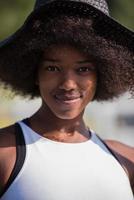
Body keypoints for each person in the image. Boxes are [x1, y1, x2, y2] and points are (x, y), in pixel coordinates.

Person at [0, 0, 134, 199]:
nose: (68, 84)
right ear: (35, 73)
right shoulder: (5, 153)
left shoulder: (126, 161)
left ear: (101, 74)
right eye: (53, 68)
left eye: (83, 69)